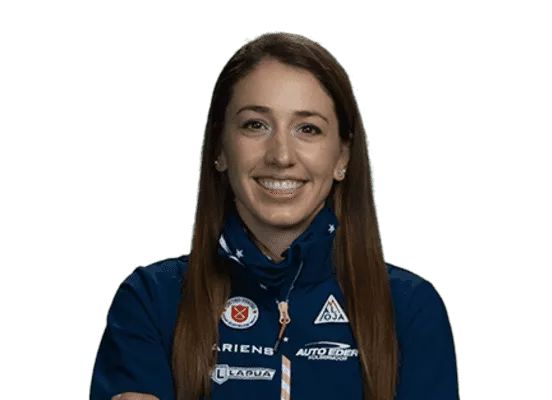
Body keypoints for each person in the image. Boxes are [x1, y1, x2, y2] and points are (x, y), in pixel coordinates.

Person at [89, 32, 460, 400]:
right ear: (220, 148)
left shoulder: (410, 308)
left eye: (308, 129)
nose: (281, 156)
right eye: (256, 125)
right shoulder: (151, 300)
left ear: (342, 157)